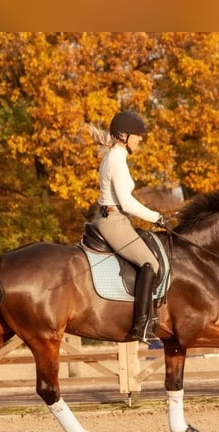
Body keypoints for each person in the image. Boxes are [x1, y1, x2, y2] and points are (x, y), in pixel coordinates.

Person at [87, 110, 168, 342]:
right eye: (137, 135)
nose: (140, 139)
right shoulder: (116, 160)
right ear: (124, 136)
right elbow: (126, 202)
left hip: (114, 218)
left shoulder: (115, 156)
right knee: (150, 263)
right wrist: (156, 218)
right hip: (114, 220)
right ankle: (141, 325)